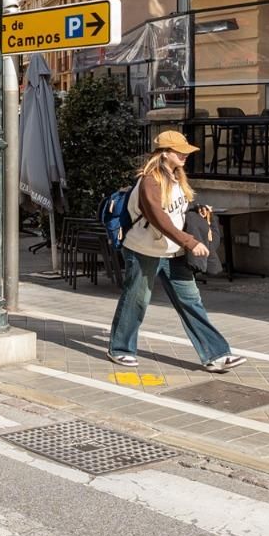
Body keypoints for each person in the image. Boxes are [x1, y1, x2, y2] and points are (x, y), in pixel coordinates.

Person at [107, 130, 246, 374]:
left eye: (185, 151)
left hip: (174, 252)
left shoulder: (176, 177)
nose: (184, 155)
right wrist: (190, 241)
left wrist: (197, 210)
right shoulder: (149, 180)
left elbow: (176, 210)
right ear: (164, 153)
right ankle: (120, 349)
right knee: (136, 300)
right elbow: (158, 218)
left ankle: (216, 354)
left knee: (191, 302)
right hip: (144, 250)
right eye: (179, 152)